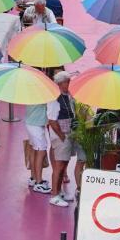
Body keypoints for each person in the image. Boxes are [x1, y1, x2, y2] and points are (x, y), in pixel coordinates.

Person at [46, 72, 76, 207]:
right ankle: (54, 194)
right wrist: (62, 136)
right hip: (61, 137)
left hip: (67, 134)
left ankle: (59, 192)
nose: (69, 84)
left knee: (64, 164)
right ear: (60, 83)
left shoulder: (67, 96)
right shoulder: (54, 99)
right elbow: (52, 120)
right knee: (59, 165)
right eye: (67, 82)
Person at [24, 100, 51, 193]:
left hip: (31, 122)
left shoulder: (32, 91)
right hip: (36, 125)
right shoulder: (42, 93)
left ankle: (33, 178)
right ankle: (39, 183)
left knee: (33, 150)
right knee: (41, 151)